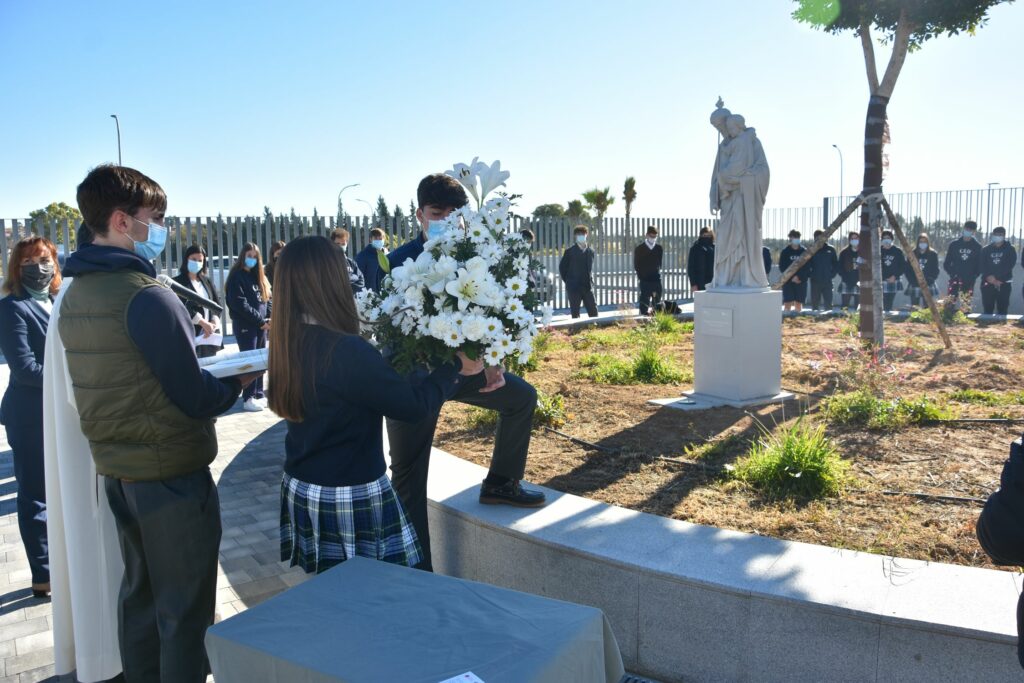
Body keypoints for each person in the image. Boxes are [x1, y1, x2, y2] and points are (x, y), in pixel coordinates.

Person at [60, 164, 250, 682]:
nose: (164, 228)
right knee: (185, 611)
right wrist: (237, 382)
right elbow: (192, 395)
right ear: (122, 221)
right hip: (170, 474)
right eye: (156, 217)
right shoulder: (146, 294)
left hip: (120, 469)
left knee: (141, 599)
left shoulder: (78, 293)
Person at [268, 236, 482, 574]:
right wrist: (453, 367)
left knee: (334, 592)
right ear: (331, 281)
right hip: (347, 495)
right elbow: (412, 407)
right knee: (367, 599)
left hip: (304, 485)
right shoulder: (345, 351)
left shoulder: (289, 339)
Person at [386, 172, 546, 572]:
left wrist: (492, 361)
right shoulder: (399, 261)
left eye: (454, 212)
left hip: (465, 372)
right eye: (437, 212)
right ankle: (417, 572)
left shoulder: (478, 255)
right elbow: (389, 331)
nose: (446, 219)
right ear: (420, 214)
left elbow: (493, 313)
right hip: (415, 382)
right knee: (408, 473)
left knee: (522, 398)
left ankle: (500, 484)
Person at [44, 223, 125, 682]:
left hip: (87, 446)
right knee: (102, 557)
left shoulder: (72, 293)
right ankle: (105, 658)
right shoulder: (85, 296)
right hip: (98, 451)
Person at [1, 235, 61, 599]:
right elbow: (25, 369)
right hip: (29, 415)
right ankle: (43, 573)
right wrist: (73, 381)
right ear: (16, 268)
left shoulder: (56, 301)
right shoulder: (11, 308)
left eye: (44, 260)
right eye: (29, 262)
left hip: (57, 412)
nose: (39, 268)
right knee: (36, 495)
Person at [708, 109, 771, 289]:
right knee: (725, 238)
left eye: (721, 125)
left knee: (744, 235)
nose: (720, 130)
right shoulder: (723, 147)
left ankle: (746, 277)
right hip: (728, 200)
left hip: (745, 199)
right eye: (717, 127)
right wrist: (714, 196)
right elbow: (716, 174)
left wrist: (744, 179)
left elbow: (763, 170)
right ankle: (725, 278)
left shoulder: (751, 142)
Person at [226, 242, 271, 411]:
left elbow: (267, 299)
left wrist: (269, 318)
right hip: (247, 326)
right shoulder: (237, 276)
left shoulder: (257, 276)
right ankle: (248, 397)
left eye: (255, 257)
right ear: (242, 256)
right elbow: (240, 304)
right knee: (249, 361)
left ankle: (259, 393)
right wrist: (260, 321)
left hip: (261, 326)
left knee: (260, 361)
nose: (251, 259)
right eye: (249, 256)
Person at [172, 243, 223, 359]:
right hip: (190, 335)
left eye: (200, 260)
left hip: (209, 336)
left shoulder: (207, 281)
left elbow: (216, 304)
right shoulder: (177, 283)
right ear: (186, 259)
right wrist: (202, 322)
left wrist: (214, 322)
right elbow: (180, 306)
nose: (197, 263)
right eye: (193, 259)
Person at [559, 225, 598, 318]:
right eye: (579, 234)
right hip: (574, 287)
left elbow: (589, 269)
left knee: (593, 311)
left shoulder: (591, 251)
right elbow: (562, 268)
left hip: (587, 286)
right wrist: (569, 281)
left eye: (583, 234)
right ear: (575, 236)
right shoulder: (569, 252)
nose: (581, 236)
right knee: (575, 313)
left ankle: (595, 329)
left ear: (586, 235)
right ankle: (575, 331)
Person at [943, 219, 982, 306]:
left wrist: (974, 276)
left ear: (974, 232)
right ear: (963, 229)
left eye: (971, 230)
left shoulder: (977, 247)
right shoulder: (954, 245)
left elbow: (979, 265)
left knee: (966, 306)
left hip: (969, 280)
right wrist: (953, 274)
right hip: (955, 279)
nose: (968, 231)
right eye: (967, 229)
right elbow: (946, 263)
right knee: (949, 304)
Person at [980, 226, 1017, 315]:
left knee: (1002, 308)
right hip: (987, 283)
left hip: (1004, 283)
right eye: (995, 235)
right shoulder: (986, 249)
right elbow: (981, 265)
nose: (997, 236)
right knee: (987, 308)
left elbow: (1009, 265)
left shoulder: (1010, 249)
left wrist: (997, 278)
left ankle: (1001, 327)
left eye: (1000, 235)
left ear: (1004, 236)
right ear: (992, 235)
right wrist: (989, 277)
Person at [905, 233, 940, 308]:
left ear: (928, 243)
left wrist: (930, 280)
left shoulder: (933, 254)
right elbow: (907, 269)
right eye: (921, 242)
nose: (922, 244)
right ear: (918, 243)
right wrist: (913, 281)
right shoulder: (912, 253)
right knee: (914, 307)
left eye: (924, 242)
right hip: (914, 283)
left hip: (928, 284)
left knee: (927, 307)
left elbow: (936, 270)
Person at [634, 225, 663, 315]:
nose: (653, 238)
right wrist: (641, 277)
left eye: (655, 236)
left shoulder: (659, 248)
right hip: (645, 280)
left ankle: (655, 317)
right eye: (651, 236)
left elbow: (659, 263)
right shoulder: (639, 249)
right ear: (646, 235)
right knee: (644, 301)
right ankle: (643, 316)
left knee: (657, 301)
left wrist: (658, 274)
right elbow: (636, 265)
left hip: (656, 279)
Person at [779, 230, 810, 312]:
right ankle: (786, 319)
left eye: (797, 237)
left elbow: (807, 266)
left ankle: (798, 320)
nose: (796, 239)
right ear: (790, 238)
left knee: (799, 303)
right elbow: (782, 267)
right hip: (788, 281)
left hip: (800, 281)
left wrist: (799, 277)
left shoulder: (804, 251)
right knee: (787, 302)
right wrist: (792, 277)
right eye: (794, 237)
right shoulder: (785, 252)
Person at [808, 229, 838, 311]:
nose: (820, 239)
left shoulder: (831, 249)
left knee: (828, 304)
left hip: (827, 281)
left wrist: (832, 275)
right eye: (817, 237)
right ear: (814, 238)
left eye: (822, 237)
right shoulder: (811, 249)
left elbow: (835, 264)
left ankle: (827, 320)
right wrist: (811, 275)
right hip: (815, 281)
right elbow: (807, 265)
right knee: (815, 304)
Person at [330, 227, 366, 293]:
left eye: (343, 244)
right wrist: (354, 278)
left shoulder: (351, 262)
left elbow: (361, 282)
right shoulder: (327, 263)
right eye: (338, 243)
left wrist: (348, 286)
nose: (340, 246)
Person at [355, 227, 390, 292]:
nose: (378, 240)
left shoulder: (387, 255)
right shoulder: (363, 256)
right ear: (371, 239)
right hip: (370, 295)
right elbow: (358, 277)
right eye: (375, 238)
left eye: (380, 238)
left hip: (386, 295)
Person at [879, 229, 905, 312]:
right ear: (881, 239)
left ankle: (887, 316)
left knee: (889, 301)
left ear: (892, 239)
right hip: (881, 280)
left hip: (894, 280)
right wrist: (883, 277)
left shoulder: (898, 251)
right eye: (884, 238)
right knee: (881, 302)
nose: (886, 240)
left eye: (888, 238)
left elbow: (902, 266)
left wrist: (895, 276)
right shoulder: (878, 251)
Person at [837, 232, 861, 310]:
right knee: (844, 306)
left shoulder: (864, 252)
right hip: (846, 281)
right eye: (852, 239)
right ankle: (842, 320)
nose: (854, 240)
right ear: (849, 240)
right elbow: (840, 268)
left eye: (856, 238)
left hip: (859, 282)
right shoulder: (844, 252)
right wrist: (845, 278)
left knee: (858, 306)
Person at [687, 227, 715, 292]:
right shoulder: (695, 248)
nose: (706, 237)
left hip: (713, 282)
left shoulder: (714, 248)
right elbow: (691, 267)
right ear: (701, 235)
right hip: (700, 282)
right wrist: (693, 284)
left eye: (708, 235)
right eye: (704, 235)